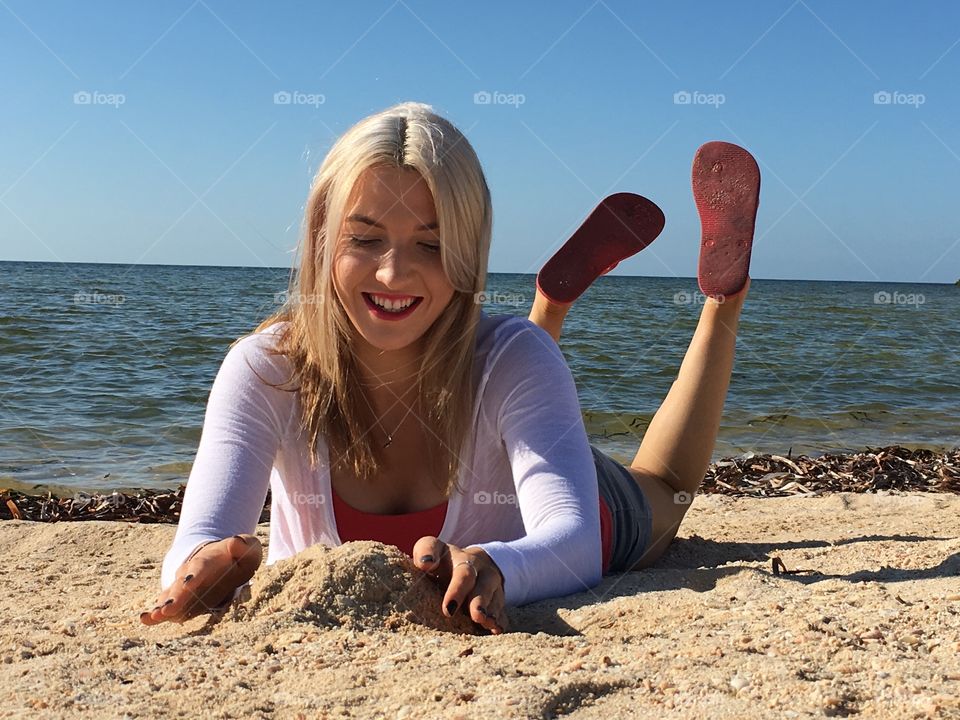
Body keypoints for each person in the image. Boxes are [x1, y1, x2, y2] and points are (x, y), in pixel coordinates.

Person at [139, 102, 759, 635]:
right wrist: (211, 565)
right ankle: (549, 306)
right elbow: (191, 548)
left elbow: (572, 544)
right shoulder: (266, 369)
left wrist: (498, 565)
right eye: (364, 238)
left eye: (432, 245)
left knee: (665, 481)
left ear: (469, 251)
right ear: (321, 235)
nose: (391, 272)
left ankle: (721, 302)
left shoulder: (515, 360)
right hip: (513, 412)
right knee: (512, 358)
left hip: (569, 488)